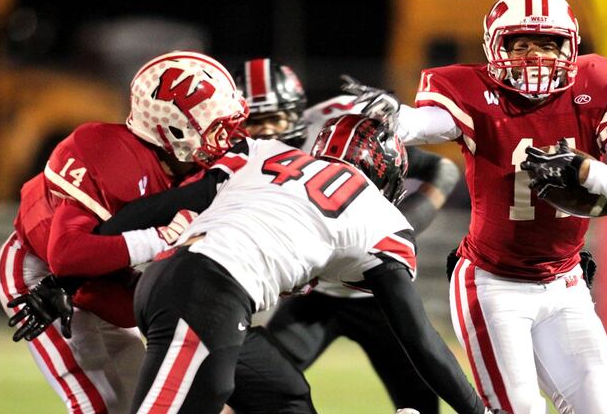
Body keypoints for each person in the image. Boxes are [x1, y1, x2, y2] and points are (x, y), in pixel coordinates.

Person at [348, 0, 607, 414]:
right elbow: (424, 122)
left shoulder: (600, 88)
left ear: (571, 47)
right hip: (492, 284)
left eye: (548, 43)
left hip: (565, 284)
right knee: (519, 409)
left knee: (599, 405)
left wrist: (587, 170)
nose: (535, 56)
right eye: (521, 44)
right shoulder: (474, 93)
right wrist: (395, 116)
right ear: (495, 47)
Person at [90, 114, 503, 414]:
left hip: (181, 283)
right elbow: (419, 339)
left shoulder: (264, 154)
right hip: (207, 297)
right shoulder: (379, 216)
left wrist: (82, 256)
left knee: (284, 397)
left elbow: (166, 205)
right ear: (387, 175)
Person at [0, 50, 249, 413]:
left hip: (111, 277)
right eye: (216, 128)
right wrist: (160, 238)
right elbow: (67, 255)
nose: (226, 139)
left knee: (149, 400)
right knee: (99, 403)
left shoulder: (193, 168)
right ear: (175, 129)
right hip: (41, 274)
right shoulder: (105, 151)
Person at [234, 58, 460, 414]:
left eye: (273, 119)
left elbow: (441, 169)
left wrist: (399, 228)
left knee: (421, 403)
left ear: (295, 112)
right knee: (250, 390)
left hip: (377, 292)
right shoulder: (238, 156)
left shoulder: (335, 128)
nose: (264, 134)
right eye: (253, 123)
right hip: (315, 296)